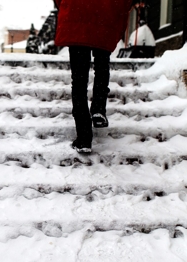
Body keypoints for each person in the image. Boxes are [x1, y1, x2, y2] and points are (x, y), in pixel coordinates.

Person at [54, 0, 134, 153]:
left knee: (79, 80)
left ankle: (84, 137)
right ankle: (98, 108)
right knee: (102, 67)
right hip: (105, 17)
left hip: (77, 16)